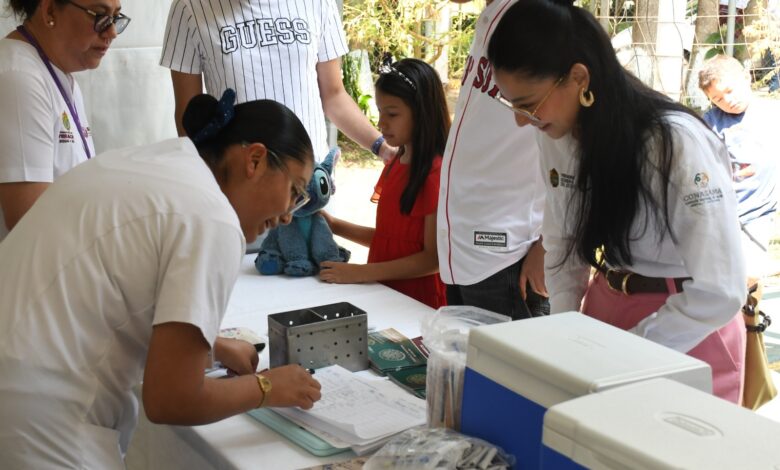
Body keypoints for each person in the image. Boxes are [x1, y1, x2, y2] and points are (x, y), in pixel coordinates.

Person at [0, 91, 322, 467]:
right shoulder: (212, 217)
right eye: (295, 192)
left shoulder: (161, 164)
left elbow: (108, 288)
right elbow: (172, 398)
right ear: (255, 159)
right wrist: (267, 387)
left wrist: (213, 346)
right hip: (41, 418)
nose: (288, 215)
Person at [488, 0, 747, 403]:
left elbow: (721, 289)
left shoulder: (673, 143)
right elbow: (562, 244)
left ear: (578, 78)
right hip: (605, 308)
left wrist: (626, 354)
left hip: (688, 325)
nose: (522, 120)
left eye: (528, 103)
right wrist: (566, 329)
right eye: (512, 104)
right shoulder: (556, 134)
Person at [159, 0, 395, 163]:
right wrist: (208, 180)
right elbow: (188, 116)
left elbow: (334, 96)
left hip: (311, 182)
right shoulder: (190, 8)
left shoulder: (318, 3)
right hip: (239, 188)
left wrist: (382, 147)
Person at [438, 0, 549, 320]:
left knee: (510, 354)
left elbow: (571, 150)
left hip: (507, 254)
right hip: (462, 248)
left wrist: (547, 244)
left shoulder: (537, 18)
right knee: (466, 352)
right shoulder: (493, 15)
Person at [319, 58, 449, 309]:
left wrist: (361, 272)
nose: (381, 123)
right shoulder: (396, 163)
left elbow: (433, 259)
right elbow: (389, 240)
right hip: (383, 292)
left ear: (422, 112)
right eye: (380, 112)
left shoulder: (436, 173)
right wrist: (334, 226)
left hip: (416, 302)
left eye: (392, 114)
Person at [0, 0, 129, 242]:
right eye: (99, 15)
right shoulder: (19, 77)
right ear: (50, 11)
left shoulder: (57, 74)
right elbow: (27, 218)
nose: (112, 32)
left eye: (115, 18)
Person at [699, 54, 779, 289]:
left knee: (749, 273)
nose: (727, 100)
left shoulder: (773, 113)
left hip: (757, 213)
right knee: (718, 276)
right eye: (717, 99)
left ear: (746, 77)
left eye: (729, 91)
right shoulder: (711, 122)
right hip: (719, 213)